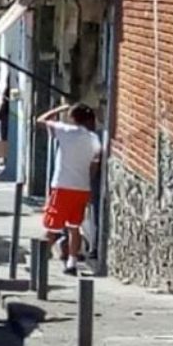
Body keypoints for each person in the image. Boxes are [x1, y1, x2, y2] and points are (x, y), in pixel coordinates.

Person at [36, 102, 101, 275]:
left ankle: (38, 262)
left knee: (52, 228)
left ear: (72, 118)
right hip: (82, 188)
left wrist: (59, 109)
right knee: (75, 227)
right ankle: (72, 263)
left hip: (62, 185)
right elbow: (94, 165)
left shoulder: (65, 131)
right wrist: (87, 180)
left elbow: (41, 120)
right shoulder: (94, 139)